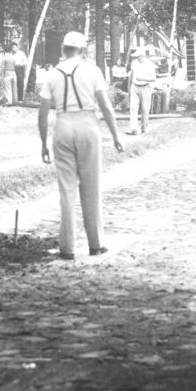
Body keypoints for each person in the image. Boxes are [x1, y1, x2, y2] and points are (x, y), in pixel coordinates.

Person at [38, 31, 124, 260]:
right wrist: (116, 135)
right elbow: (105, 105)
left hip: (63, 124)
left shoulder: (52, 74)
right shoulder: (92, 70)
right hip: (88, 124)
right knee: (91, 186)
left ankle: (67, 248)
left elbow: (43, 112)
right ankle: (96, 244)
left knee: (66, 191)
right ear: (83, 50)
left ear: (63, 49)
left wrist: (43, 143)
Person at [126, 48, 157, 135]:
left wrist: (142, 79)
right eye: (136, 57)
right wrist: (129, 87)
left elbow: (153, 78)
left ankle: (144, 128)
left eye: (139, 56)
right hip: (135, 86)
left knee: (144, 109)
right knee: (133, 108)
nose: (137, 58)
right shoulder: (134, 63)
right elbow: (131, 75)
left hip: (145, 87)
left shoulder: (150, 64)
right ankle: (133, 129)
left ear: (143, 56)